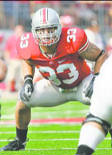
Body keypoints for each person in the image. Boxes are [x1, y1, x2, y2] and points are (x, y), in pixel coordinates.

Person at [0, 7, 108, 151]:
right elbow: (28, 61)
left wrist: (96, 78)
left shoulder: (72, 38)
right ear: (34, 31)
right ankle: (20, 142)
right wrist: (28, 79)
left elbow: (101, 55)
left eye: (50, 29)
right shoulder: (27, 44)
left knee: (107, 99)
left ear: (58, 28)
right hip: (54, 87)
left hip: (82, 84)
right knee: (22, 100)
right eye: (41, 30)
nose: (46, 35)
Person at [4, 25, 24, 92]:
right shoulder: (11, 39)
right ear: (15, 31)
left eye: (20, 31)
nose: (19, 32)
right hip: (13, 60)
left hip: (22, 60)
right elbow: (7, 50)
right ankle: (8, 91)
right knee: (11, 76)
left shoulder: (24, 39)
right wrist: (8, 59)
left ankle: (23, 91)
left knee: (23, 77)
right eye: (18, 31)